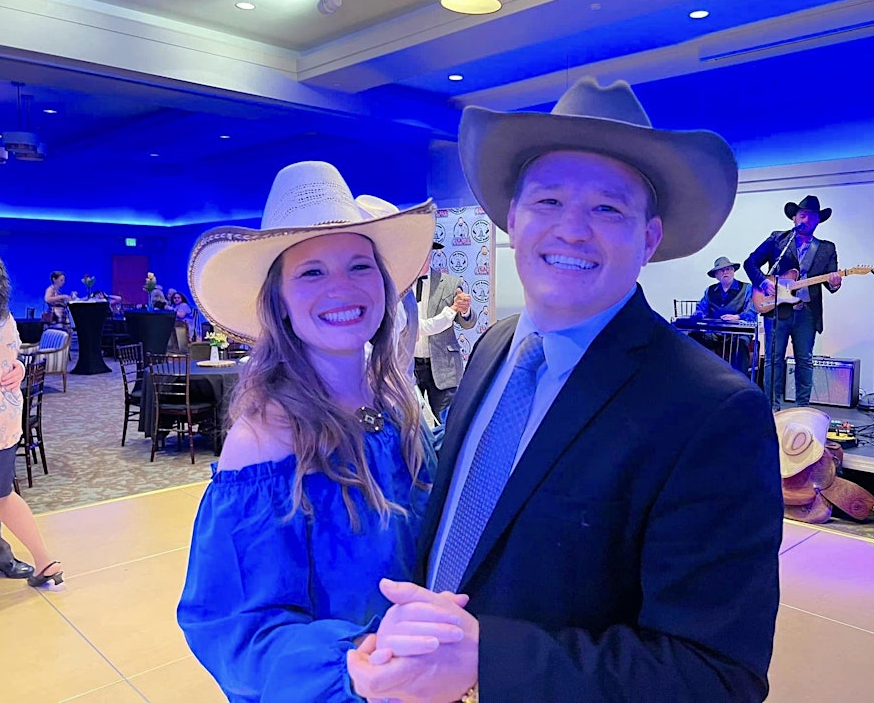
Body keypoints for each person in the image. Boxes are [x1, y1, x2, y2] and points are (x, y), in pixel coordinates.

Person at [347, 77, 783, 701]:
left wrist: (486, 662)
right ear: (513, 219)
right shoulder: (494, 347)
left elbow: (714, 673)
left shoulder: (711, 410)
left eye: (608, 209)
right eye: (548, 202)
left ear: (649, 237)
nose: (572, 230)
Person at [176, 161, 457, 701]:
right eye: (311, 272)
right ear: (278, 299)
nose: (342, 289)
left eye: (359, 266)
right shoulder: (265, 442)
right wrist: (355, 664)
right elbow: (238, 632)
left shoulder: (397, 405)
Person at [0, 247, 65, 611]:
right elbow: (10, 359)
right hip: (2, 422)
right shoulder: (4, 320)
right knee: (1, 495)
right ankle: (45, 560)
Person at [744, 195, 842, 409]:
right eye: (803, 215)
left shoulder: (826, 248)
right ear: (794, 218)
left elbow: (831, 282)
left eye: (812, 217)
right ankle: (772, 408)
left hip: (807, 312)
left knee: (804, 360)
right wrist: (762, 283)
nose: (806, 220)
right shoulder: (778, 239)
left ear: (818, 221)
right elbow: (750, 263)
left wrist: (835, 282)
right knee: (773, 359)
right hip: (777, 309)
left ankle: (802, 408)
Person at [413, 241, 476, 420]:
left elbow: (468, 323)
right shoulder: (398, 285)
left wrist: (465, 310)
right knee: (408, 425)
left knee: (448, 423)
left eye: (425, 251)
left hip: (444, 366)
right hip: (408, 366)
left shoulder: (451, 283)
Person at [689, 255, 757, 374]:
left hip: (737, 333)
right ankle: (700, 376)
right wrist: (698, 314)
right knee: (693, 337)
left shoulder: (747, 288)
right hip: (714, 333)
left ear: (733, 271)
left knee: (740, 346)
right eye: (721, 270)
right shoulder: (709, 291)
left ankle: (740, 383)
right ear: (716, 275)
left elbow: (752, 311)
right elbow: (701, 309)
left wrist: (737, 317)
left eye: (728, 269)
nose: (725, 272)